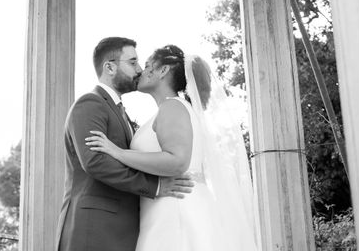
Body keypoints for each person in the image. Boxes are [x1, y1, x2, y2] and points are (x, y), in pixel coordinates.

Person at [86, 45, 258, 251]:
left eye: (148, 65)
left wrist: (119, 152)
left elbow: (177, 161)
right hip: (168, 208)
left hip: (175, 210)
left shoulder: (172, 106)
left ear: (163, 70)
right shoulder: (172, 109)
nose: (141, 70)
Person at [57, 37, 194, 251]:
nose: (139, 69)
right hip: (95, 229)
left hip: (125, 232)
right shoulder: (90, 104)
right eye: (132, 62)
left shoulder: (122, 112)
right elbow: (95, 162)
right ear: (110, 67)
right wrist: (155, 186)